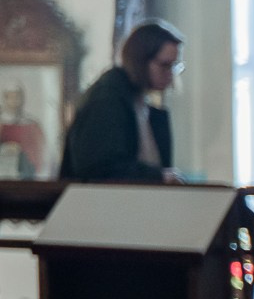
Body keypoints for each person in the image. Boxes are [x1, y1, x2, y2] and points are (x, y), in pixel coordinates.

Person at [60, 20, 181, 182]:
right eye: (165, 65)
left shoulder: (137, 101)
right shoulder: (107, 99)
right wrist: (158, 176)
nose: (170, 75)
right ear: (141, 60)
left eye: (174, 66)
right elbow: (100, 168)